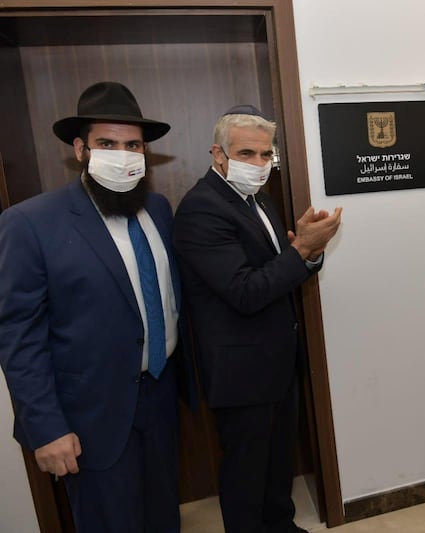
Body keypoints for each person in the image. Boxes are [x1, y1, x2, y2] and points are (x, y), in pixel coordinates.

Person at [0, 81, 194, 532]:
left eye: (133, 145)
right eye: (107, 143)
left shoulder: (159, 209)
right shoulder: (30, 224)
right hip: (90, 415)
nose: (122, 154)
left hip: (161, 396)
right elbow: (18, 337)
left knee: (164, 514)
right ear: (80, 149)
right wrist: (45, 427)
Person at [173, 105, 342, 533]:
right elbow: (246, 292)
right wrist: (301, 250)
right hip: (240, 370)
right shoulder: (202, 208)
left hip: (277, 361)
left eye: (267, 155)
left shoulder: (257, 198)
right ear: (218, 154)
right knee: (247, 475)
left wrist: (309, 252)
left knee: (276, 465)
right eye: (247, 154)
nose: (259, 165)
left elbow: (280, 270)